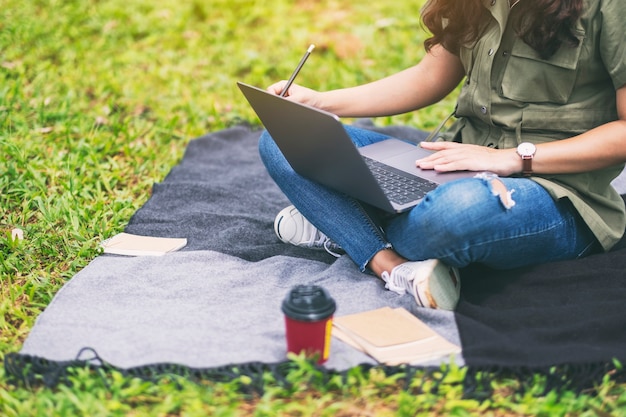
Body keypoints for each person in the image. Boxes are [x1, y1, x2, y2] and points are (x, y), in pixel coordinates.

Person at [258, 0, 626, 310]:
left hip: (556, 194)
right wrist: (320, 102)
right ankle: (389, 264)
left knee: (457, 213)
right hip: (450, 168)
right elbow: (430, 75)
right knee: (284, 138)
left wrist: (515, 158)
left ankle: (339, 221)